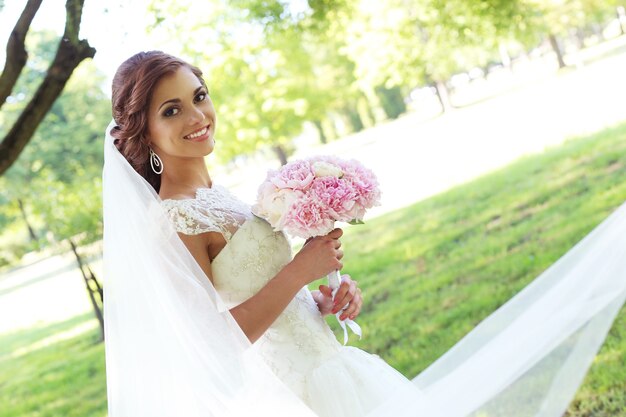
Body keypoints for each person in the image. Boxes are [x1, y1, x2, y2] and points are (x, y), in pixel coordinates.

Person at [103, 51, 626, 417]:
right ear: (143, 130)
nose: (198, 117)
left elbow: (259, 290)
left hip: (332, 366)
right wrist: (299, 271)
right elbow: (214, 344)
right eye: (172, 110)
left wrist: (319, 299)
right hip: (299, 392)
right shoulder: (173, 221)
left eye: (199, 96)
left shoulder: (218, 197)